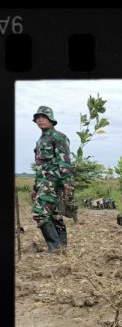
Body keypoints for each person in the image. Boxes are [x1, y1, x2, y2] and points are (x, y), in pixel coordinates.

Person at [30, 106, 74, 253]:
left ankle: (54, 248)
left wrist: (67, 183)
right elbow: (39, 167)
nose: (40, 119)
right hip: (43, 182)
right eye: (37, 117)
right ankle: (62, 248)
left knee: (39, 212)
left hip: (53, 182)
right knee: (54, 214)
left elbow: (65, 162)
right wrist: (35, 188)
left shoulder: (58, 137)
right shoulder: (41, 140)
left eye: (44, 117)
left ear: (51, 120)